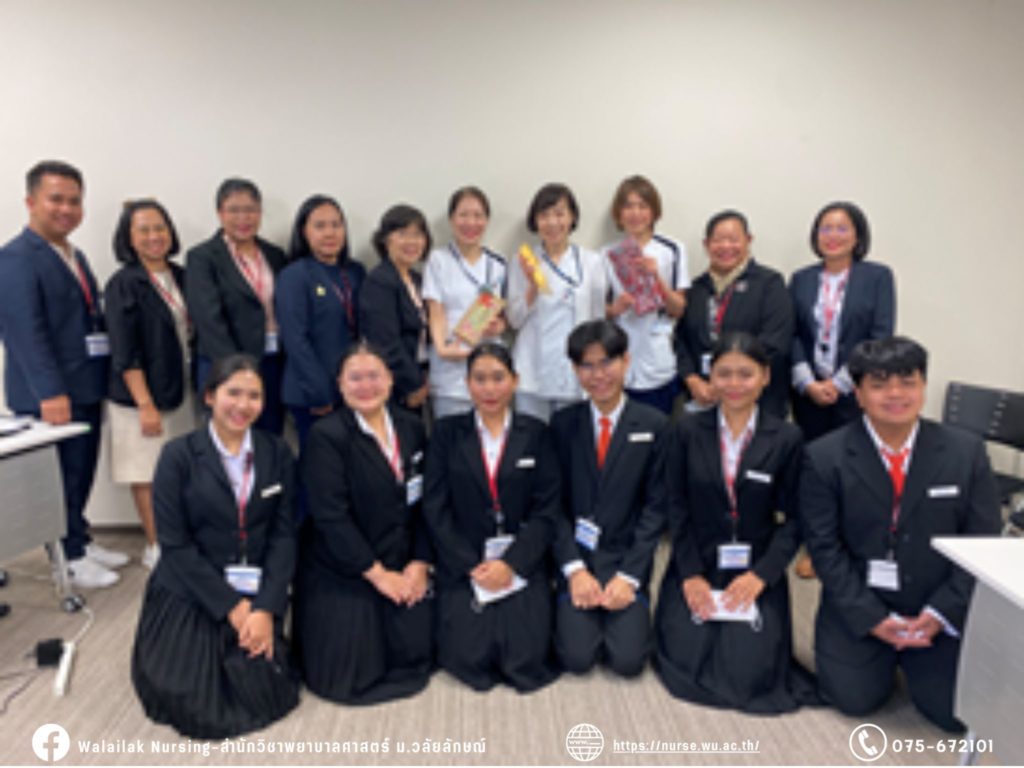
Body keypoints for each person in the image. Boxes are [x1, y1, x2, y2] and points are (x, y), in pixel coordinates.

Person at [801, 337, 1001, 732]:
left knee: (954, 716)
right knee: (853, 700)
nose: (895, 394)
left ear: (923, 387)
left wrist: (940, 613)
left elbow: (983, 542)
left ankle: (925, 647)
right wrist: (872, 617)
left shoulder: (966, 452)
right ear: (858, 394)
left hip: (937, 602)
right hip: (860, 601)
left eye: (908, 382)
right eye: (879, 385)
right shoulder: (824, 456)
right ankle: (878, 648)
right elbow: (824, 549)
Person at [132, 355, 299, 738]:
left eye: (254, 396)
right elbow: (175, 545)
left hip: (254, 583)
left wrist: (266, 608)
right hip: (192, 583)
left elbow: (283, 535)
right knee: (192, 698)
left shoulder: (276, 453)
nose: (243, 405)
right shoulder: (177, 456)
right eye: (233, 393)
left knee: (265, 684)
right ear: (209, 396)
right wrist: (233, 607)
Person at [654, 332, 817, 713]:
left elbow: (797, 519)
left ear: (765, 377)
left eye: (746, 374)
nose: (734, 384)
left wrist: (763, 575)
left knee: (750, 672)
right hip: (698, 558)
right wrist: (690, 574)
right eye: (724, 373)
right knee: (685, 659)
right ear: (710, 377)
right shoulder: (687, 430)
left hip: (755, 564)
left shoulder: (787, 438)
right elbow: (675, 506)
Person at [0, 160, 127, 589]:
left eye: (74, 201)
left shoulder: (73, 254)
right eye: (56, 199)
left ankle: (80, 539)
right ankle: (68, 558)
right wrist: (50, 391)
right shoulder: (16, 259)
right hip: (52, 395)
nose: (67, 209)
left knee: (81, 470)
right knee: (61, 478)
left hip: (84, 385)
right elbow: (24, 333)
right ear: (31, 201)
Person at [295, 343, 433, 704]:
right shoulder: (327, 436)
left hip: (402, 556)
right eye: (354, 378)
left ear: (390, 381)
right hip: (346, 563)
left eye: (374, 376)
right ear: (340, 385)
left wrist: (420, 562)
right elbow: (331, 518)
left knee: (421, 645)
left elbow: (426, 503)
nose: (365, 386)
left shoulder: (412, 427)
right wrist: (378, 574)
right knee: (351, 670)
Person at [422, 343, 559, 692]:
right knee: (468, 654)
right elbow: (435, 507)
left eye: (498, 378)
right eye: (480, 379)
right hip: (464, 557)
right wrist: (471, 563)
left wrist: (511, 564)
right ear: (467, 383)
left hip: (521, 557)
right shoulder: (446, 433)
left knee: (526, 654)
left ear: (515, 380)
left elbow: (546, 510)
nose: (489, 389)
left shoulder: (537, 432)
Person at [549, 320, 666, 676]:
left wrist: (629, 576)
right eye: (587, 365)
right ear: (575, 370)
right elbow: (552, 506)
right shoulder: (562, 424)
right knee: (577, 658)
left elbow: (656, 508)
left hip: (625, 560)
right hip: (578, 560)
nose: (598, 375)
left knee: (628, 661)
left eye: (607, 362)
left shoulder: (655, 424)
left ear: (626, 360)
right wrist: (575, 570)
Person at [105, 199, 197, 570]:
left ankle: (181, 538)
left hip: (180, 388)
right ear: (128, 238)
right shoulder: (124, 283)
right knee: (145, 473)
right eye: (143, 230)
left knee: (179, 470)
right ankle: (156, 545)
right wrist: (144, 404)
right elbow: (124, 350)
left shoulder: (182, 275)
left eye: (159, 227)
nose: (154, 236)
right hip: (140, 397)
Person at [185, 178, 286, 434]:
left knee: (269, 437)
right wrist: (237, 372)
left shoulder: (275, 255)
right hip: (224, 365)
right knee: (228, 439)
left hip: (272, 362)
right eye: (234, 210)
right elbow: (209, 320)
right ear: (220, 213)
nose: (243, 217)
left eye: (250, 209)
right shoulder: (202, 257)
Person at [790, 201, 896, 441]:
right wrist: (807, 383)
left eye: (842, 229)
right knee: (810, 454)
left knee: (851, 454)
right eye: (826, 229)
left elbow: (880, 336)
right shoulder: (801, 279)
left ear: (858, 236)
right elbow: (792, 332)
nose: (833, 236)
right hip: (808, 392)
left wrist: (840, 383)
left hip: (857, 389)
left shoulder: (878, 277)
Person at [675, 210, 793, 419]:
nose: (726, 246)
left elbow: (775, 342)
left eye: (733, 239)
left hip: (757, 401)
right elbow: (681, 341)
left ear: (748, 240)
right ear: (706, 244)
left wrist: (729, 381)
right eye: (718, 240)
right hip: (703, 399)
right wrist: (691, 378)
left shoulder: (769, 283)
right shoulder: (695, 289)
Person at [508, 184, 606, 422]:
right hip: (532, 372)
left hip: (576, 372)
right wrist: (532, 287)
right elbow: (514, 320)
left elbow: (597, 320)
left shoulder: (591, 262)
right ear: (535, 220)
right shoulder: (523, 260)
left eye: (560, 214)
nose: (552, 222)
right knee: (532, 440)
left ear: (572, 217)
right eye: (544, 215)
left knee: (572, 440)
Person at [275, 194, 365, 449]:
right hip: (313, 393)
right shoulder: (294, 276)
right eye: (320, 226)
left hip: (353, 388)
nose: (330, 233)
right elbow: (295, 339)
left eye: (336, 225)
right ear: (304, 231)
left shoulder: (355, 271)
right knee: (320, 463)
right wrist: (320, 392)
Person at [602, 175, 688, 415]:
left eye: (642, 206)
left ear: (654, 211)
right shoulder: (606, 254)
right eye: (628, 206)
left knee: (657, 429)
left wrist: (657, 279)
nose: (635, 213)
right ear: (618, 213)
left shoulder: (672, 249)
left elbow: (679, 309)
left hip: (658, 357)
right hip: (618, 359)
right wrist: (614, 309)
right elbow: (597, 312)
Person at [422, 186, 507, 418]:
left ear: (487, 220)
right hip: (451, 368)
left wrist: (498, 327)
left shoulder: (498, 264)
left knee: (490, 435)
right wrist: (443, 348)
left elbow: (504, 318)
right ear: (451, 219)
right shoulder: (438, 260)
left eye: (478, 215)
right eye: (463, 215)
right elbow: (435, 311)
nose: (471, 222)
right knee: (451, 434)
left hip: (489, 366)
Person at [361, 204, 431, 415]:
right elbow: (386, 343)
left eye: (418, 234)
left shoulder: (417, 279)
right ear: (385, 239)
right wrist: (413, 384)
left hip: (421, 376)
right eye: (402, 234)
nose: (412, 242)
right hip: (395, 386)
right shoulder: (380, 281)